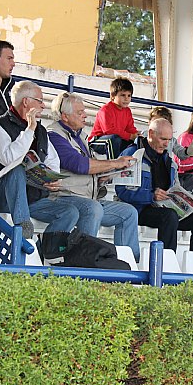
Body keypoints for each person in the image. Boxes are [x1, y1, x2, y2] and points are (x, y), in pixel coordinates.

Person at [0, 80, 100, 240]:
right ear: (26, 101)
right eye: (40, 101)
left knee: (69, 212)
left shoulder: (41, 131)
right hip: (1, 195)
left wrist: (52, 179)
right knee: (17, 169)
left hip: (30, 197)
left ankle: (46, 251)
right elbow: (10, 160)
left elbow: (53, 161)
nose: (43, 106)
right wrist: (29, 129)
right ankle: (23, 225)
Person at [47, 91, 141, 261]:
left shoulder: (81, 136)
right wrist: (115, 163)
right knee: (93, 208)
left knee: (129, 212)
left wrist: (106, 174)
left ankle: (128, 265)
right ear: (65, 116)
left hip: (88, 196)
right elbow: (79, 164)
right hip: (64, 197)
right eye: (80, 112)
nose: (85, 115)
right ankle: (84, 261)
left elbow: (91, 166)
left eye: (84, 111)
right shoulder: (54, 135)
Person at [116, 118, 193, 253]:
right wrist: (151, 196)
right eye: (163, 139)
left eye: (169, 140)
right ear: (150, 134)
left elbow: (177, 189)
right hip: (139, 209)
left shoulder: (170, 161)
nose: (167, 144)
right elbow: (122, 191)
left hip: (166, 208)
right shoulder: (131, 154)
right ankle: (166, 261)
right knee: (169, 216)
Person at [147, 106, 193, 192]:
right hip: (153, 170)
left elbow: (180, 153)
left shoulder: (173, 140)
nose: (165, 143)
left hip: (168, 171)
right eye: (156, 122)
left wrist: (187, 152)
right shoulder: (144, 137)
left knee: (191, 178)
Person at [87, 78, 139, 158]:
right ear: (112, 96)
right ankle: (114, 165)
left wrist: (136, 136)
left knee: (136, 142)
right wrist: (130, 136)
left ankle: (130, 165)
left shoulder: (127, 111)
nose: (126, 98)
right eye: (123, 95)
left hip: (116, 140)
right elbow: (109, 130)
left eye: (129, 95)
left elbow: (130, 129)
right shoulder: (105, 110)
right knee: (113, 139)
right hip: (97, 141)